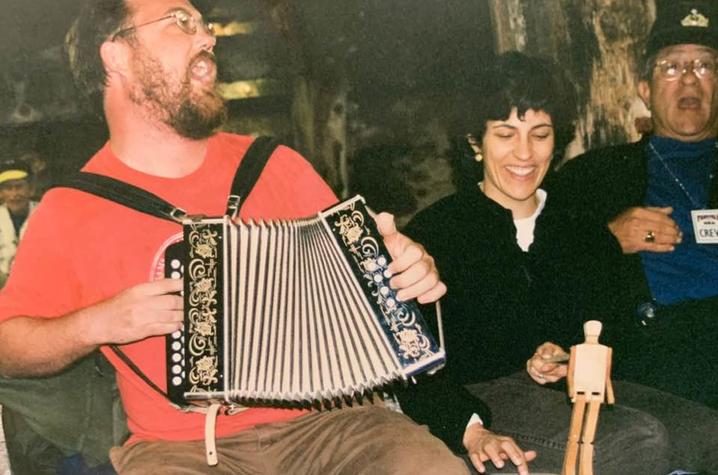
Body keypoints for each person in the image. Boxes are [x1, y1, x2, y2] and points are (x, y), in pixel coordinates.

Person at [0, 0, 477, 474]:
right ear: (116, 56)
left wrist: (407, 271)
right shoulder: (72, 209)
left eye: (204, 24)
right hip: (179, 450)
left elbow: (373, 298)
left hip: (336, 428)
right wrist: (99, 323)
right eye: (181, 22)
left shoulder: (274, 166)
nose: (208, 37)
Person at [398, 51, 671, 475]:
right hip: (481, 399)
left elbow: (619, 330)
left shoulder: (582, 230)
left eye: (540, 134)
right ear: (475, 142)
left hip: (582, 396)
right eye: (506, 134)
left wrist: (568, 356)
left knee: (708, 434)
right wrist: (468, 427)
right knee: (639, 441)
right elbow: (409, 365)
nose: (524, 154)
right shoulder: (435, 234)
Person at [529, 1, 718, 471]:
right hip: (651, 359)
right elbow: (544, 272)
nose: (689, 79)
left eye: (704, 65)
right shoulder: (593, 176)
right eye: (671, 67)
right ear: (644, 89)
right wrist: (609, 237)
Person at [0, 160, 38, 288]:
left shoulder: (45, 215)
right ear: (1, 193)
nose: (14, 194)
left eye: (19, 187)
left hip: (36, 285)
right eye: (8, 188)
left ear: (31, 189)